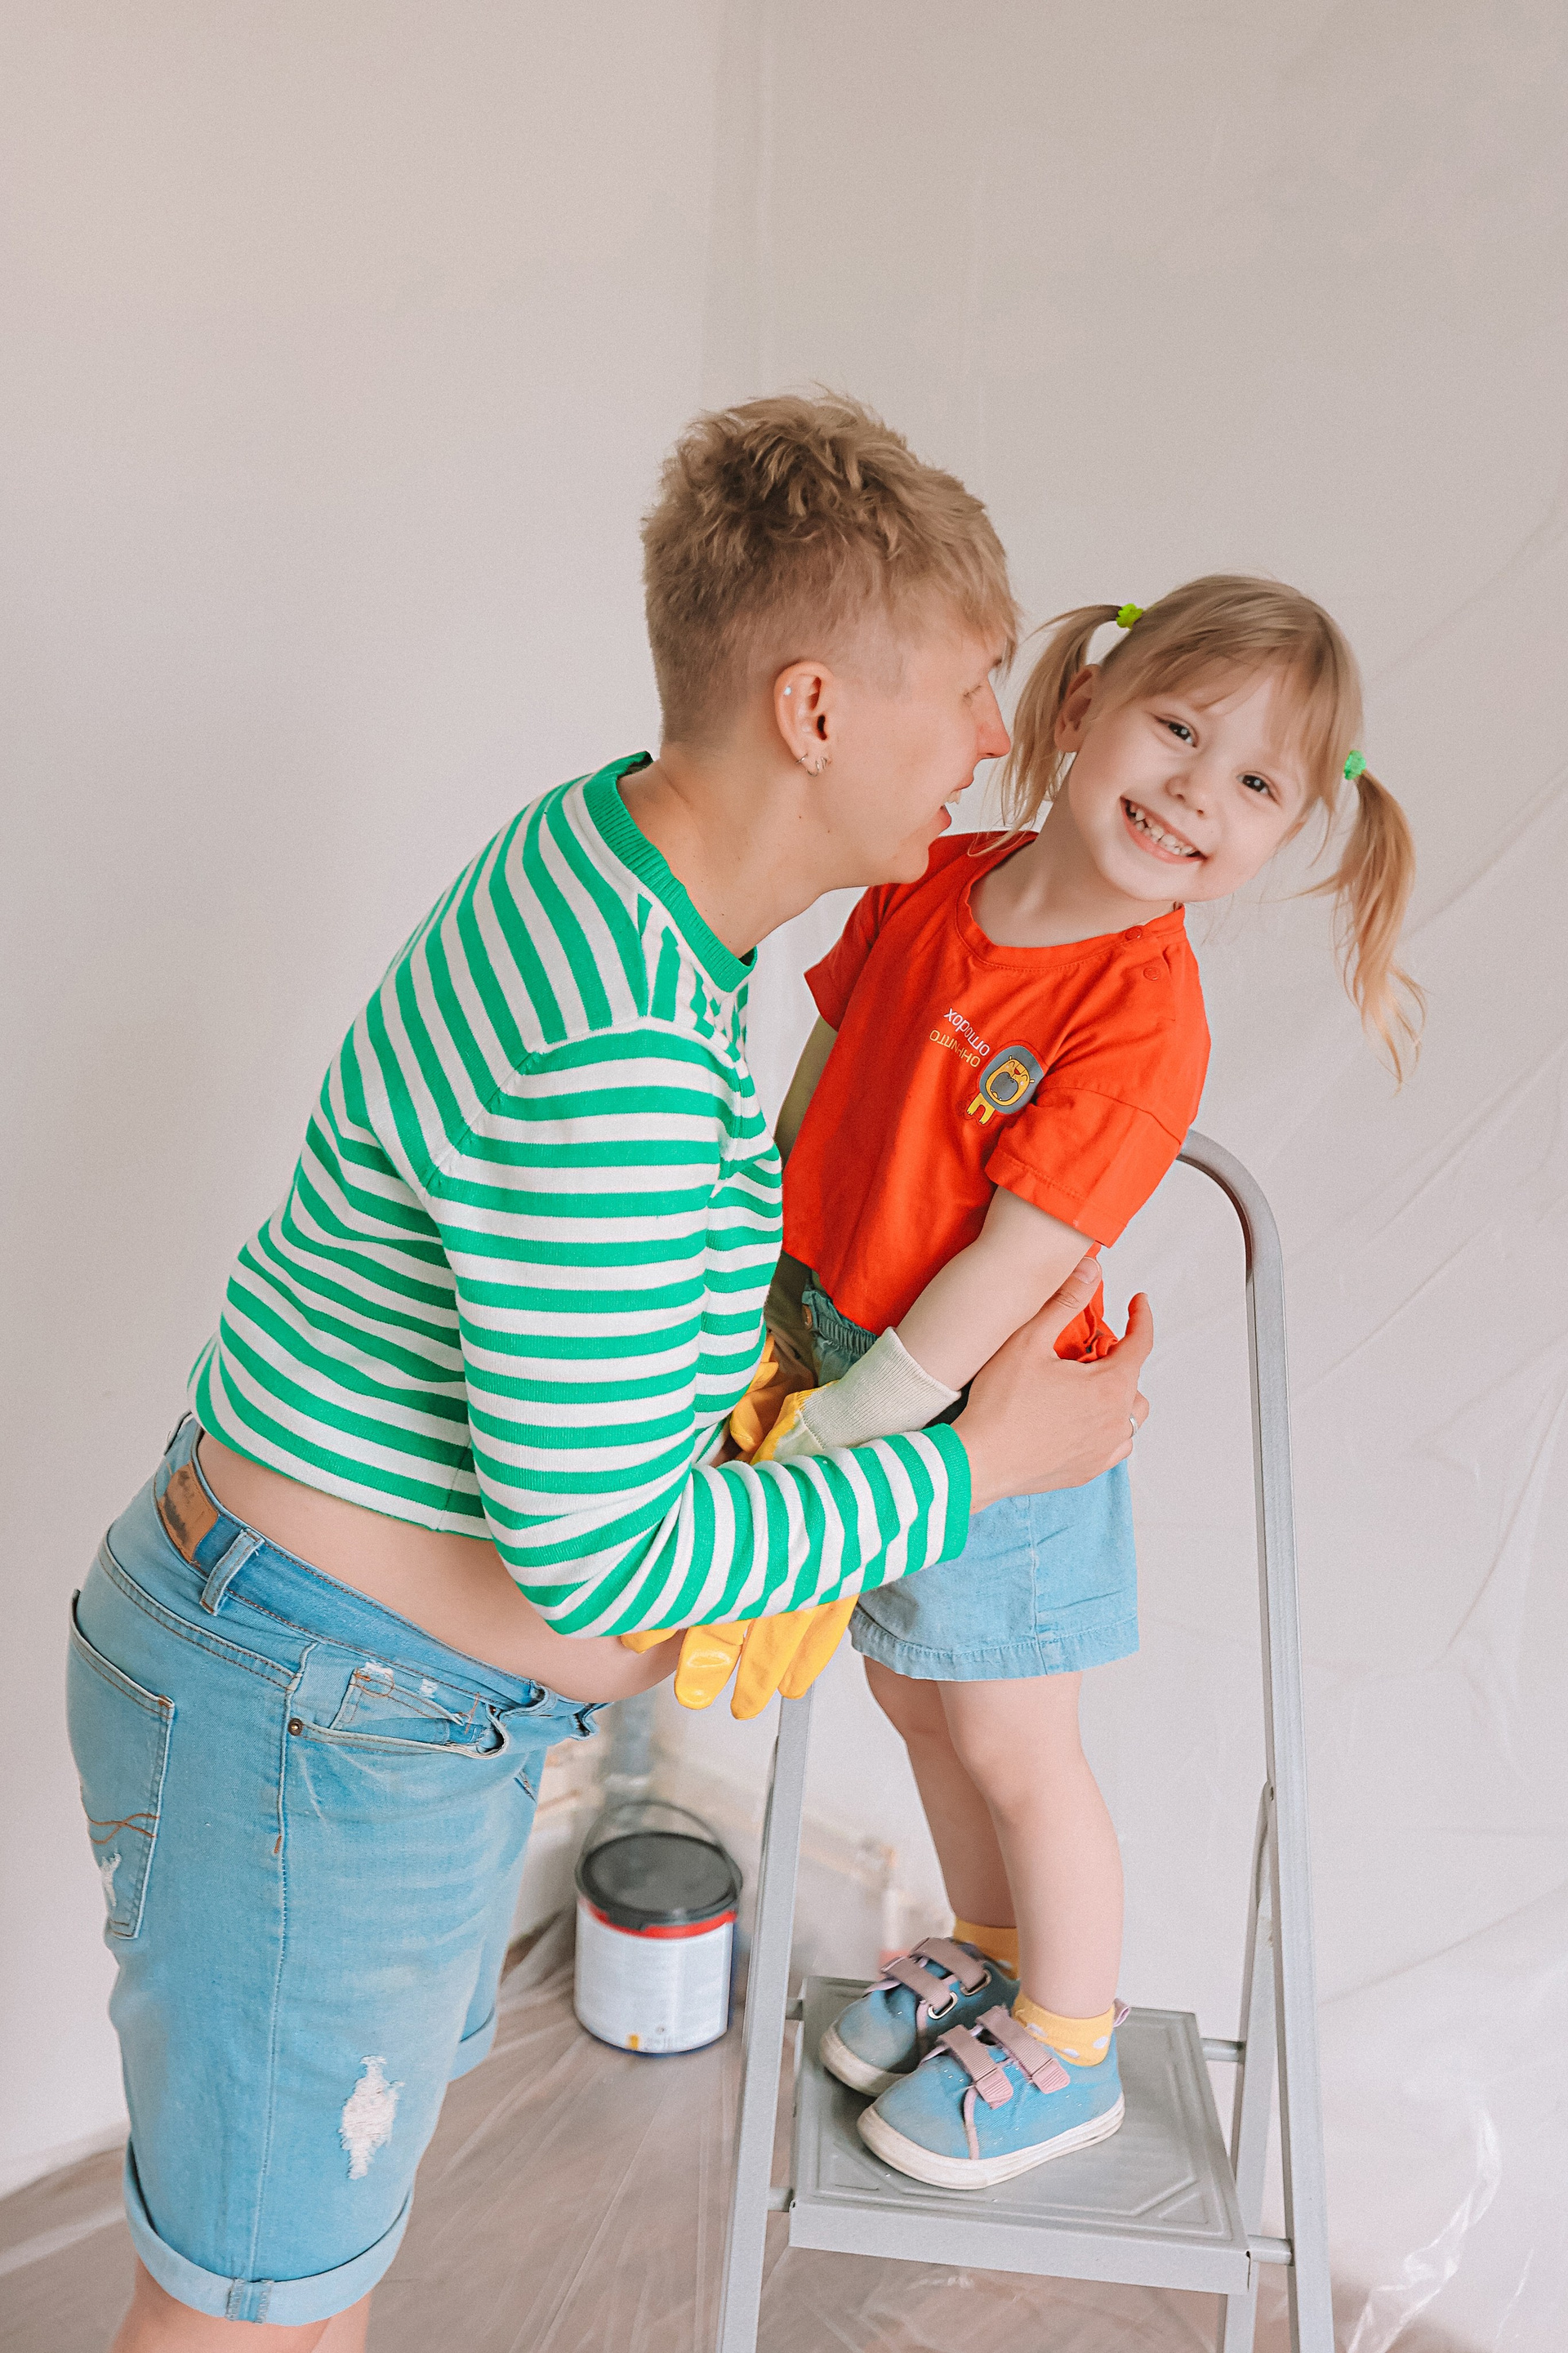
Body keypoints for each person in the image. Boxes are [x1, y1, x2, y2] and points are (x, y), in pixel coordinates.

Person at [67, 394, 1153, 2351]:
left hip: (326, 1686)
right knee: (243, 2318)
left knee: (297, 2287)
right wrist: (978, 1463)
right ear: (816, 711)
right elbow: (606, 1562)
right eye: (971, 688)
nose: (997, 741)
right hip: (322, 1720)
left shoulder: (609, 856)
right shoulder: (627, 1050)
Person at [763, 576, 1420, 2189]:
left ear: (1283, 832)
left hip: (987, 1414)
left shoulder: (1140, 1014)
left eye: (1254, 781)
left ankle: (1068, 2039)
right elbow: (826, 1072)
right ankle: (990, 1947)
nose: (1197, 791)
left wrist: (858, 1421)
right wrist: (757, 1271)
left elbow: (1008, 1264)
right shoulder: (939, 875)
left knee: (1012, 1735)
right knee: (911, 1692)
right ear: (1081, 710)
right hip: (840, 1358)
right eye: (1177, 728)